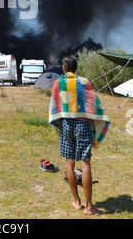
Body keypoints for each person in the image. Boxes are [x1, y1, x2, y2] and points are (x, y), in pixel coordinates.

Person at [49, 55, 110, 216]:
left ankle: (77, 202)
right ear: (76, 68)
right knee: (85, 165)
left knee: (69, 164)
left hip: (66, 125)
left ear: (63, 68)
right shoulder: (84, 82)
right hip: (82, 124)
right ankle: (89, 208)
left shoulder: (58, 83)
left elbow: (55, 106)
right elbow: (94, 104)